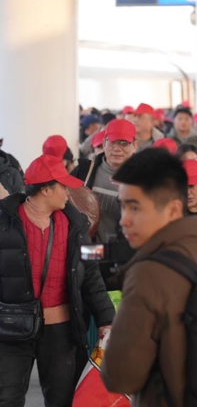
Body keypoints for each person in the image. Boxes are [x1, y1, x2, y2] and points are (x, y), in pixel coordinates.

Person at [102, 148, 197, 404]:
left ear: (174, 210)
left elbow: (118, 377)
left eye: (135, 208)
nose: (124, 221)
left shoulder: (147, 275)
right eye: (123, 207)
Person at [0, 155, 115, 406]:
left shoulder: (76, 226)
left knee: (61, 400)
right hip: (12, 330)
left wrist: (107, 319)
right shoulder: (5, 221)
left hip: (61, 332)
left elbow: (92, 274)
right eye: (62, 186)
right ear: (45, 189)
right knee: (7, 398)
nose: (68, 192)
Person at [81, 119, 139, 242]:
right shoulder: (85, 171)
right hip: (90, 251)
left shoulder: (145, 179)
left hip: (127, 254)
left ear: (135, 146)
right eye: (112, 142)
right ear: (104, 143)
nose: (117, 149)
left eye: (123, 143)